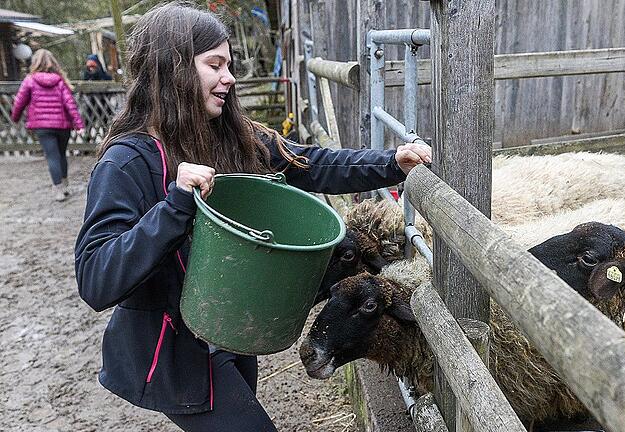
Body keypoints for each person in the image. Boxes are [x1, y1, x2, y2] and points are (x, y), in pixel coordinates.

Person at [73, 3, 431, 432]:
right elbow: (96, 278)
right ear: (173, 69)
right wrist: (174, 206)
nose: (229, 78)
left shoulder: (230, 135)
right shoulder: (127, 163)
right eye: (215, 64)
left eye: (229, 65)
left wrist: (392, 161)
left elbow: (312, 165)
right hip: (174, 353)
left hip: (232, 330)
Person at [11, 49, 85, 201]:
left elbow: (19, 102)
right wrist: (79, 124)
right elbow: (70, 104)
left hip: (42, 127)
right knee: (61, 154)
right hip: (63, 126)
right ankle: (65, 185)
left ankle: (58, 190)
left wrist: (15, 118)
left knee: (52, 156)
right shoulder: (59, 80)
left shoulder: (30, 80)